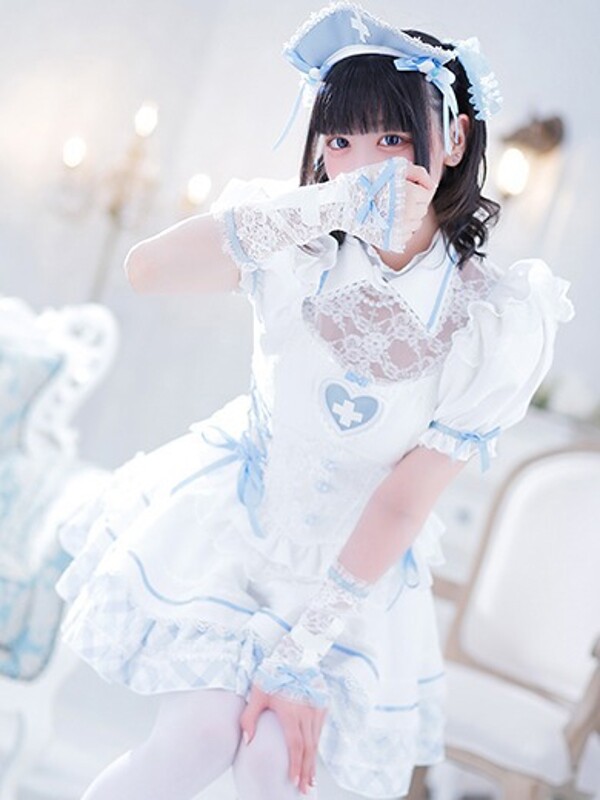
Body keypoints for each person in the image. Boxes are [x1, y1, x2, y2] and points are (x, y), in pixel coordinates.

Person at [55, 3, 574, 799]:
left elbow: (402, 504)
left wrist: (301, 653)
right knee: (197, 737)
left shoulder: (493, 319)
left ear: (454, 139)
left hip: (348, 587)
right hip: (237, 536)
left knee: (273, 766)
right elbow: (147, 270)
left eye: (391, 140)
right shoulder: (294, 240)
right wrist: (330, 206)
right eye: (339, 141)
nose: (363, 165)